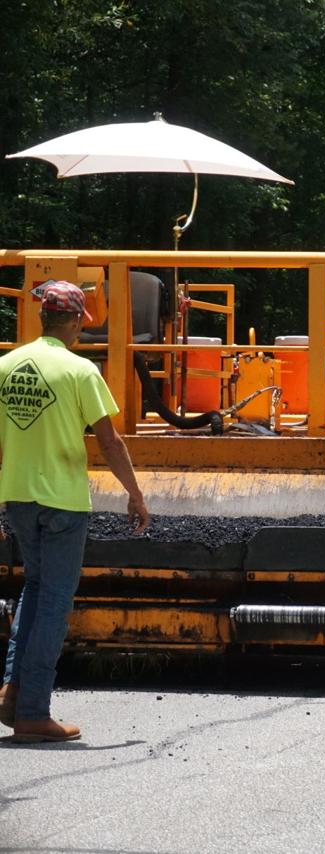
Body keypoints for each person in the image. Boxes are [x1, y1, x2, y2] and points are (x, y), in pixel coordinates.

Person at [0, 280, 150, 743]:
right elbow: (110, 440)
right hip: (62, 501)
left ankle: (11, 691)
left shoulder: (5, 365)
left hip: (18, 497)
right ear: (79, 323)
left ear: (42, 317)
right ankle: (33, 712)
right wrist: (135, 494)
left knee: (35, 588)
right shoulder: (80, 370)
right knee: (55, 603)